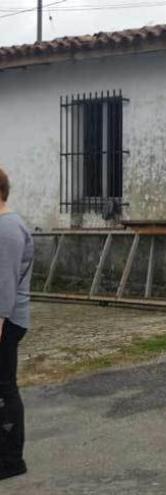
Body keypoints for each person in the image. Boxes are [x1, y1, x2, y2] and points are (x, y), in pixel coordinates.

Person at [0, 167, 32, 481]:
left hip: (7, 321)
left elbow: (4, 285)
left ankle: (10, 461)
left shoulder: (7, 228)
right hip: (6, 317)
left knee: (4, 387)